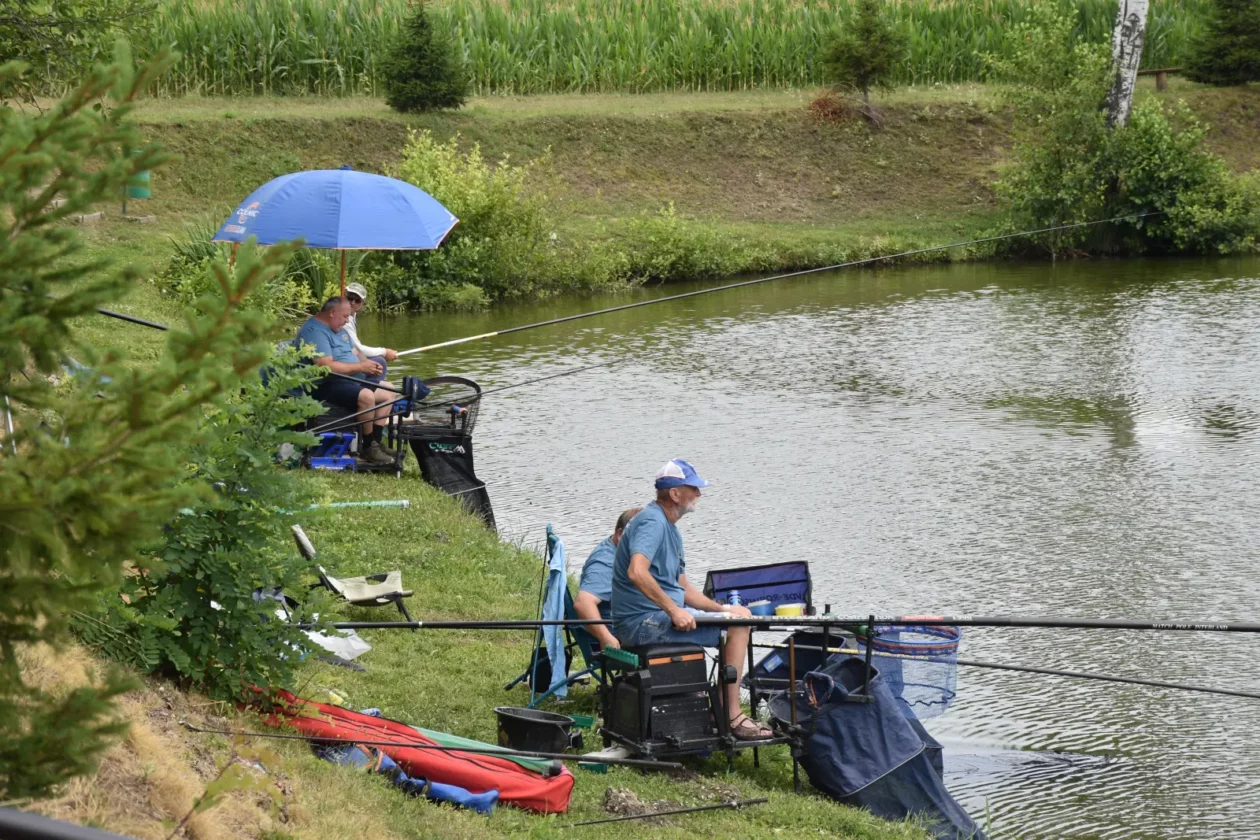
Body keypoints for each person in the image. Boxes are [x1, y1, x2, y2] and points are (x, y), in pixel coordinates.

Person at [610, 459, 772, 740]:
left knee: (739, 616)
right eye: (693, 488)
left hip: (656, 616)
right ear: (674, 494)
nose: (699, 494)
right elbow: (636, 572)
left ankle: (721, 710)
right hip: (641, 622)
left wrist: (723, 609)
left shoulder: (670, 527)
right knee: (739, 625)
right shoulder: (652, 522)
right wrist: (674, 610)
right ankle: (730, 716)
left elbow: (681, 586)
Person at [295, 297, 397, 465]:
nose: (347, 320)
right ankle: (367, 447)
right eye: (344, 316)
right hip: (324, 384)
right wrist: (361, 368)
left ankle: (376, 443)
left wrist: (369, 364)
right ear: (332, 313)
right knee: (367, 396)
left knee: (389, 391)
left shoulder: (339, 329)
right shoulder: (314, 331)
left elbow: (356, 353)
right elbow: (325, 367)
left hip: (349, 381)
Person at [574, 507, 642, 650]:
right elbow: (583, 603)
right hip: (623, 636)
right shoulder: (606, 563)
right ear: (620, 534)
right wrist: (606, 637)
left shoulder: (620, 550)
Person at [343, 282, 398, 385]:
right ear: (344, 296)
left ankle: (370, 390)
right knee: (379, 362)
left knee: (378, 361)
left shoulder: (351, 315)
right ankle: (366, 391)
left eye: (357, 300)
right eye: (350, 298)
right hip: (343, 360)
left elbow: (357, 350)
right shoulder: (343, 320)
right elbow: (359, 349)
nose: (353, 303)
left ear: (362, 302)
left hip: (349, 356)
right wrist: (385, 352)